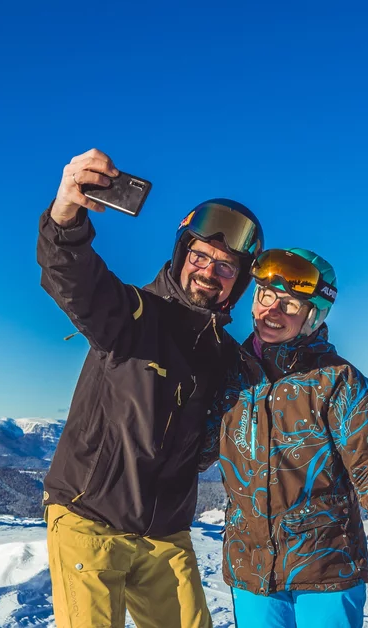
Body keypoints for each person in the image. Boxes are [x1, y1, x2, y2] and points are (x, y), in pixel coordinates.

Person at [36, 148, 264, 628]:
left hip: (164, 532)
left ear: (238, 283)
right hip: (89, 519)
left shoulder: (225, 356)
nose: (209, 271)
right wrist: (66, 213)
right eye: (200, 256)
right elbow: (73, 279)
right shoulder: (133, 315)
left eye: (226, 267)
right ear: (182, 255)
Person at [216, 248, 368, 628]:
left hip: (326, 566)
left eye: (289, 304)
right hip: (251, 566)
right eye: (265, 296)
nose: (271, 311)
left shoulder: (337, 380)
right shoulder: (229, 373)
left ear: (314, 316)